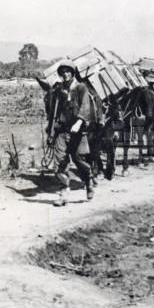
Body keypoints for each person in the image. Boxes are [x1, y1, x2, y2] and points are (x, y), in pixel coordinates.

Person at [52, 64, 97, 205]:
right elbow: (54, 111)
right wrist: (51, 129)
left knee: (80, 161)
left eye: (68, 72)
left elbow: (85, 106)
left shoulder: (81, 87)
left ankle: (89, 181)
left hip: (77, 131)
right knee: (59, 162)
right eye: (63, 72)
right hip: (62, 131)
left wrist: (79, 122)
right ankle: (63, 194)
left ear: (72, 73)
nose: (65, 74)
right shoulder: (59, 90)